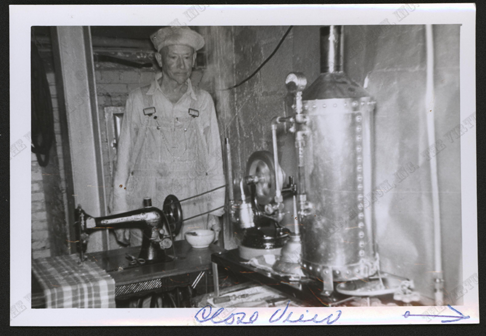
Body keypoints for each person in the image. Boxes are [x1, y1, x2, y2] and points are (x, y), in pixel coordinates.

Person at [111, 27, 225, 247]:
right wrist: (120, 215)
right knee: (149, 277)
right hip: (147, 207)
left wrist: (216, 211)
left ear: (194, 60)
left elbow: (214, 159)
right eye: (173, 57)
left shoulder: (203, 101)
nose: (181, 65)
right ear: (159, 59)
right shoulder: (138, 100)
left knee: (195, 274)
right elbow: (123, 160)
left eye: (187, 57)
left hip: (194, 210)